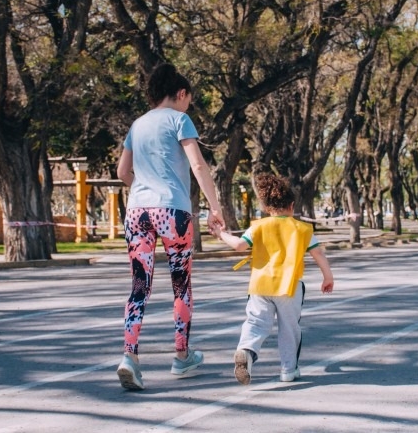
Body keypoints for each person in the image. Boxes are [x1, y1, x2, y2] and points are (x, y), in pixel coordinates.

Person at [115, 63, 225, 391]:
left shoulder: (137, 124)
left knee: (139, 285)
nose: (188, 104)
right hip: (173, 211)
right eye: (188, 99)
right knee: (180, 285)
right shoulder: (179, 119)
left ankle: (129, 356)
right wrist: (215, 208)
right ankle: (181, 355)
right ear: (180, 93)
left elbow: (122, 171)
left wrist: (143, 187)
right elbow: (198, 165)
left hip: (137, 211)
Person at [216, 173, 334, 384]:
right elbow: (318, 253)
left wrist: (220, 234)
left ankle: (246, 351)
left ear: (266, 207)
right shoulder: (302, 229)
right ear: (291, 205)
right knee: (289, 329)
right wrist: (328, 277)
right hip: (289, 287)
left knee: (256, 322)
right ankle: (288, 369)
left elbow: (239, 245)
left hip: (260, 285)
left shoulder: (258, 226)